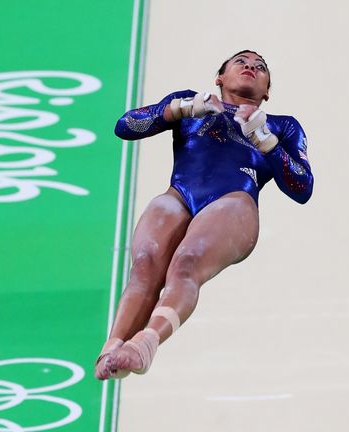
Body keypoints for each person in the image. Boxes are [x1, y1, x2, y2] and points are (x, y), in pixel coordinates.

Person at [95, 50, 313, 379]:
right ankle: (112, 349)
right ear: (219, 78)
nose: (251, 66)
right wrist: (176, 110)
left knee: (186, 262)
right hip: (180, 196)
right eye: (241, 61)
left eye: (261, 67)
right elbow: (125, 126)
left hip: (234, 203)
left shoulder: (283, 126)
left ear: (267, 90)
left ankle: (146, 343)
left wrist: (266, 141)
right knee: (145, 263)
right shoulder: (190, 104)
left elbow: (303, 187)